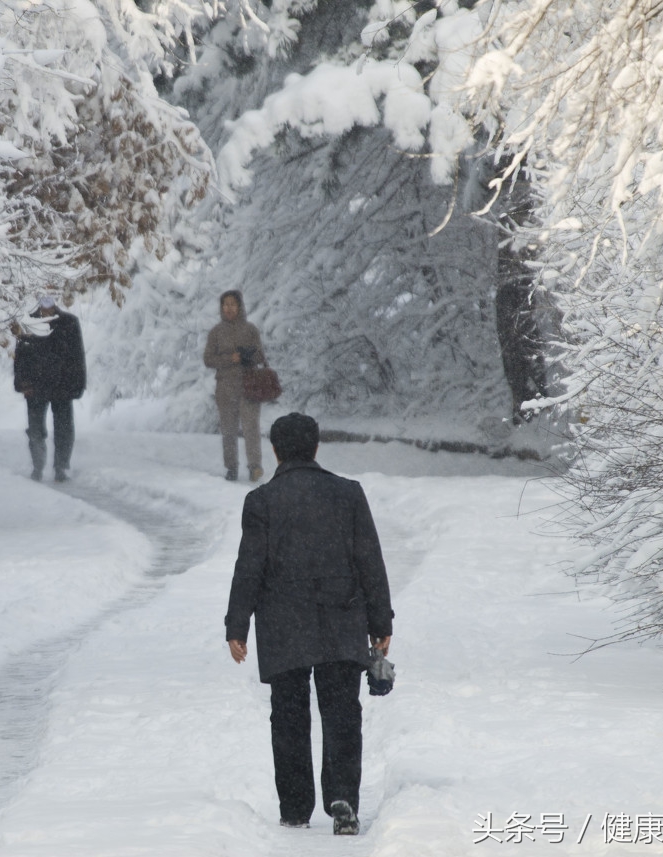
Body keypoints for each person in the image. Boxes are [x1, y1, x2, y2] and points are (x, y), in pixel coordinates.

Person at [224, 412, 394, 836]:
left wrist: (237, 626)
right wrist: (380, 619)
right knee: (341, 711)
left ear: (276, 450)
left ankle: (296, 807)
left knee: (288, 714)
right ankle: (342, 798)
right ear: (316, 447)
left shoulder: (261, 502)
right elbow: (369, 561)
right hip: (340, 617)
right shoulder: (348, 494)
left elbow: (249, 569)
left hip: (283, 624)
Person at [13, 296, 86, 482]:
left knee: (64, 430)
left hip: (63, 386)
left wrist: (77, 385)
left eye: (50, 300)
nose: (47, 305)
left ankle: (61, 467)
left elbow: (77, 356)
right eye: (43, 300)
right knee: (36, 430)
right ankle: (38, 467)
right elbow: (20, 356)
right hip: (35, 386)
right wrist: (22, 383)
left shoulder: (69, 322)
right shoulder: (28, 322)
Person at [203, 290, 266, 482]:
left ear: (240, 307)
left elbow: (261, 356)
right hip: (225, 387)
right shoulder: (216, 332)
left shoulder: (250, 330)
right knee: (228, 430)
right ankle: (231, 467)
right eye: (225, 304)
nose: (229, 308)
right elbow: (208, 359)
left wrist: (248, 356)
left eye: (232, 304)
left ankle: (254, 466)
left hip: (249, 384)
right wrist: (229, 358)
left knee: (251, 427)